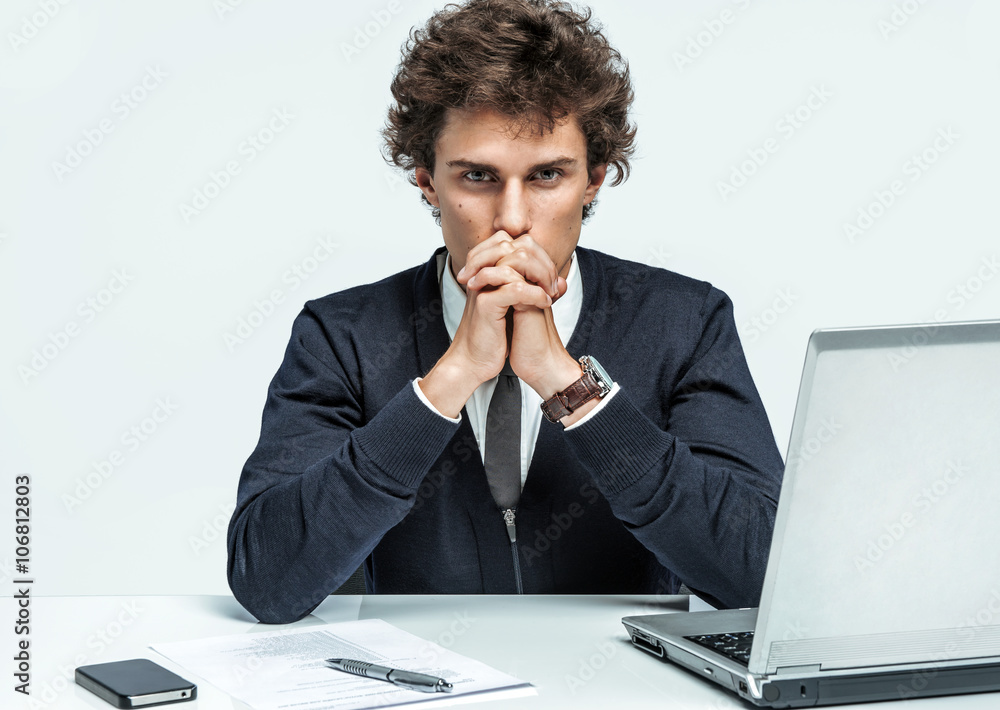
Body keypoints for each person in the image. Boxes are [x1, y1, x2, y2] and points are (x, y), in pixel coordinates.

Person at [227, 0, 784, 624]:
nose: (513, 219)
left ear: (595, 179)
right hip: (423, 686)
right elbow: (266, 581)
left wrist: (569, 385)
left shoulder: (685, 322)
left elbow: (766, 575)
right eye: (477, 177)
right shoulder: (342, 335)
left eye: (547, 175)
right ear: (428, 183)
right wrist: (449, 378)